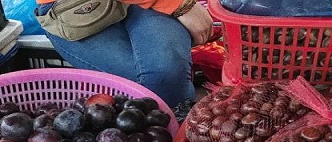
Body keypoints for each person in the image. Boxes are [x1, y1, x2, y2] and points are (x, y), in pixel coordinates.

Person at [35, 0, 214, 109]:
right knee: (153, 89)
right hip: (75, 10)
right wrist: (179, 5)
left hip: (145, 7)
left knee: (167, 75)